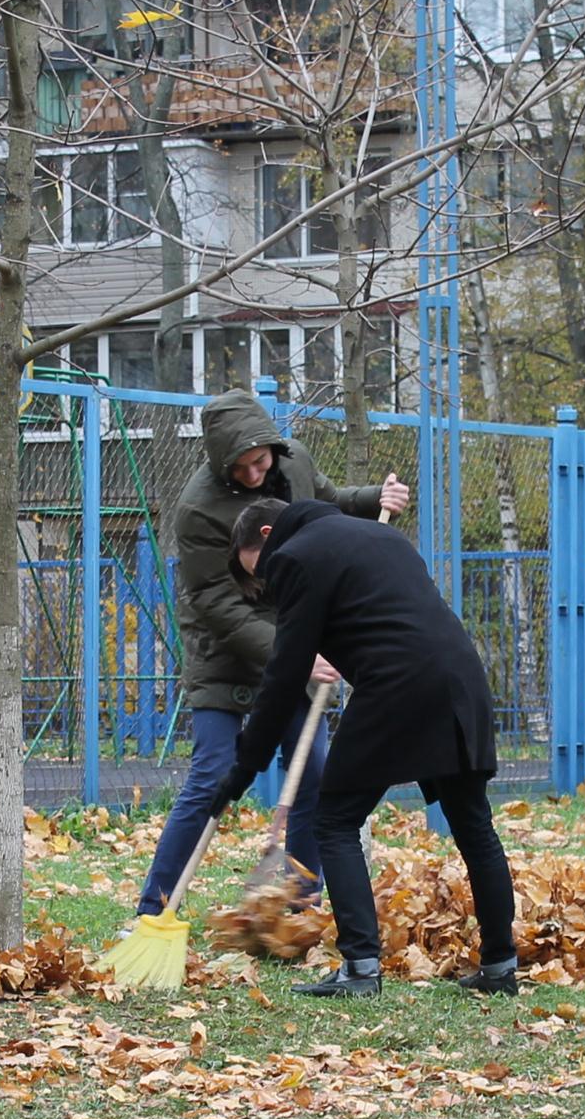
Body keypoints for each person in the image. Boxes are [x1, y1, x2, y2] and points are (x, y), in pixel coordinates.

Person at [214, 495, 512, 997]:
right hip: (459, 678)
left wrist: (242, 769)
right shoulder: (380, 536)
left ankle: (359, 968)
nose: (268, 582)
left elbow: (284, 675)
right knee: (474, 825)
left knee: (334, 819)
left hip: (398, 687)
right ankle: (502, 966)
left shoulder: (296, 555)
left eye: (261, 570)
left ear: (268, 536)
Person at [133, 390, 404, 918]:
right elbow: (212, 600)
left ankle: (298, 911)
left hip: (297, 636)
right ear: (219, 462)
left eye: (261, 462)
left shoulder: (295, 459)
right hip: (228, 652)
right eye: (242, 467)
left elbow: (327, 502)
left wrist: (376, 498)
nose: (255, 474)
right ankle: (153, 909)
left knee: (312, 773)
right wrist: (292, 655)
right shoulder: (197, 508)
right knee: (212, 774)